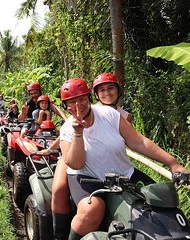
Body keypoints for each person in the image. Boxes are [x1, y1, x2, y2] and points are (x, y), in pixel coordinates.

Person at [59, 78, 188, 240]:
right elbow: (76, 163)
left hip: (124, 173)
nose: (78, 106)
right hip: (87, 177)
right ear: (65, 106)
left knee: (161, 199)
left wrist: (173, 163)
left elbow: (139, 142)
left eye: (82, 99)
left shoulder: (109, 115)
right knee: (91, 210)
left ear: (89, 98)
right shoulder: (67, 129)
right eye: (71, 102)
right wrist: (78, 133)